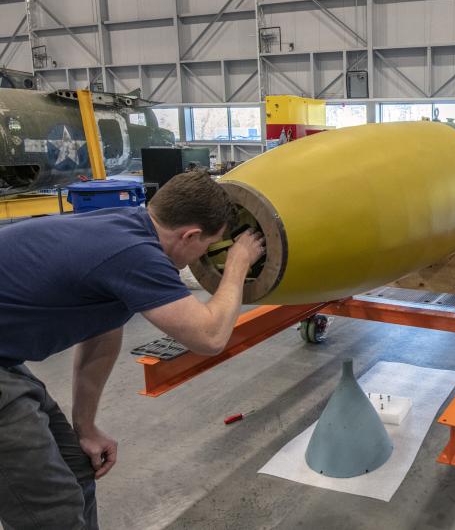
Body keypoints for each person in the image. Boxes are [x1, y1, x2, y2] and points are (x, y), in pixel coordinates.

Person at [0, 171, 264, 529]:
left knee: (77, 467)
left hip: (6, 360)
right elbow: (210, 337)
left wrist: (86, 426)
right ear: (189, 235)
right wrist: (238, 264)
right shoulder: (136, 255)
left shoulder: (127, 229)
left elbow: (101, 336)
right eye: (210, 245)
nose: (208, 254)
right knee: (51, 509)